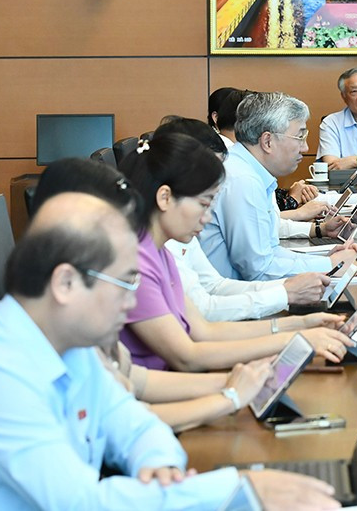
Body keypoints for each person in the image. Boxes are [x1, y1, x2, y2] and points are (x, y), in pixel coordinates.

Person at [0, 192, 340, 509]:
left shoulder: (68, 342)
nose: (131, 303)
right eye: (126, 284)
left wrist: (160, 468)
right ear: (65, 283)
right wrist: (235, 488)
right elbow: (79, 502)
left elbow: (135, 425)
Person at [30, 157, 277, 431]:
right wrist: (229, 397)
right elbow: (122, 423)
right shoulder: (21, 357)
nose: (130, 301)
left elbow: (133, 382)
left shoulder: (78, 326)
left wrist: (236, 383)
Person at [118, 132, 355, 372]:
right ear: (165, 197)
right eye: (203, 204)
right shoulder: (137, 262)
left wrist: (300, 324)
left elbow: (204, 329)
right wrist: (292, 339)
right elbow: (188, 356)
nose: (207, 217)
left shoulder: (161, 252)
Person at [152, 119, 333, 320]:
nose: (207, 216)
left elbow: (214, 285)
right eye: (203, 203)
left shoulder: (177, 232)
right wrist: (286, 294)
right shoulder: (154, 244)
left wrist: (288, 288)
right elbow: (205, 313)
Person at [201, 92, 356, 280]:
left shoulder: (249, 172)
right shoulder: (242, 180)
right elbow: (257, 269)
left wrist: (326, 261)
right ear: (267, 141)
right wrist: (331, 265)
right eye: (300, 137)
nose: (306, 148)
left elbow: (271, 251)